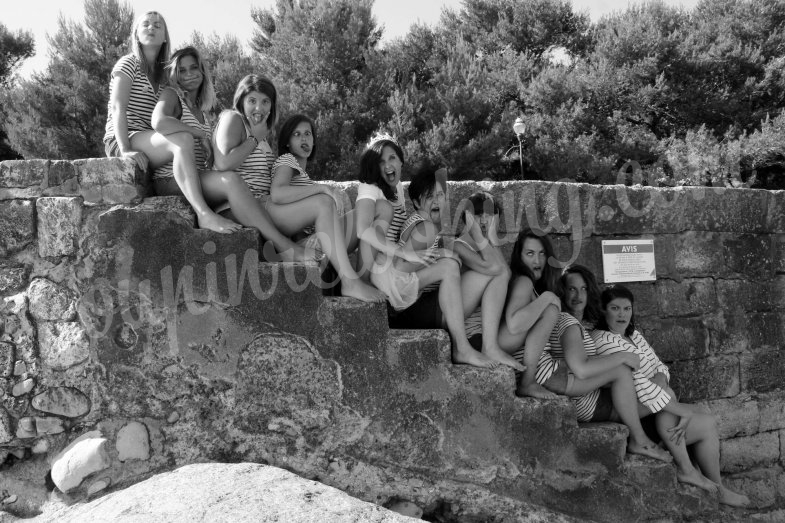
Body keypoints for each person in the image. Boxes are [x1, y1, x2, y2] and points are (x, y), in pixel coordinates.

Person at [592, 284, 750, 507]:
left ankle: (709, 481)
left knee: (705, 419)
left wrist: (661, 379)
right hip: (638, 416)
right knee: (705, 423)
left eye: (627, 308)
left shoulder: (633, 335)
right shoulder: (603, 340)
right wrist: (669, 396)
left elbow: (660, 366)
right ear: (603, 311)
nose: (621, 314)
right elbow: (636, 384)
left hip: (657, 407)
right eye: (615, 308)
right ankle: (696, 475)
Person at [150, 48, 309, 262]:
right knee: (231, 180)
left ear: (203, 71)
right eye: (182, 70)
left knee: (235, 182)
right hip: (173, 177)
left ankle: (287, 245)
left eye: (194, 68)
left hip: (196, 177)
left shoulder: (202, 111)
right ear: (174, 74)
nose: (188, 74)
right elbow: (159, 122)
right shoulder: (172, 95)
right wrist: (201, 134)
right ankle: (283, 246)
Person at [103, 11, 237, 234]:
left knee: (184, 140)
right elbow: (118, 107)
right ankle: (204, 214)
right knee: (182, 139)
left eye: (157, 25)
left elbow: (184, 106)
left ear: (165, 35)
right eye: (145, 24)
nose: (151, 28)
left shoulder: (165, 75)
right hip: (125, 137)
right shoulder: (128, 64)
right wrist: (125, 149)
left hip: (151, 140)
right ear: (136, 33)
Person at [534, 265, 671, 461]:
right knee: (661, 394)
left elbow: (585, 364)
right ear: (562, 292)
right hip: (588, 403)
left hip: (591, 392)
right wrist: (622, 356)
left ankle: (669, 444)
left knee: (659, 394)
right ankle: (640, 440)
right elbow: (581, 369)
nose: (578, 295)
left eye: (584, 289)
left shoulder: (582, 324)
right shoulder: (566, 321)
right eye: (572, 289)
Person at [244, 112, 382, 302]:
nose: (304, 139)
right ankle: (352, 282)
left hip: (316, 243)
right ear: (287, 142)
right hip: (303, 246)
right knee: (334, 206)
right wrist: (322, 188)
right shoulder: (287, 160)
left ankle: (361, 281)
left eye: (308, 134)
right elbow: (278, 193)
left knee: (374, 212)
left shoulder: (303, 176)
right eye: (297, 134)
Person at [494, 230, 563, 398]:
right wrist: (547, 297)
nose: (537, 260)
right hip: (497, 343)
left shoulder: (528, 282)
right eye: (530, 253)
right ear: (520, 256)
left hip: (502, 343)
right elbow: (515, 324)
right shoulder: (523, 281)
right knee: (550, 311)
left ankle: (528, 382)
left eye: (542, 253)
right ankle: (527, 383)